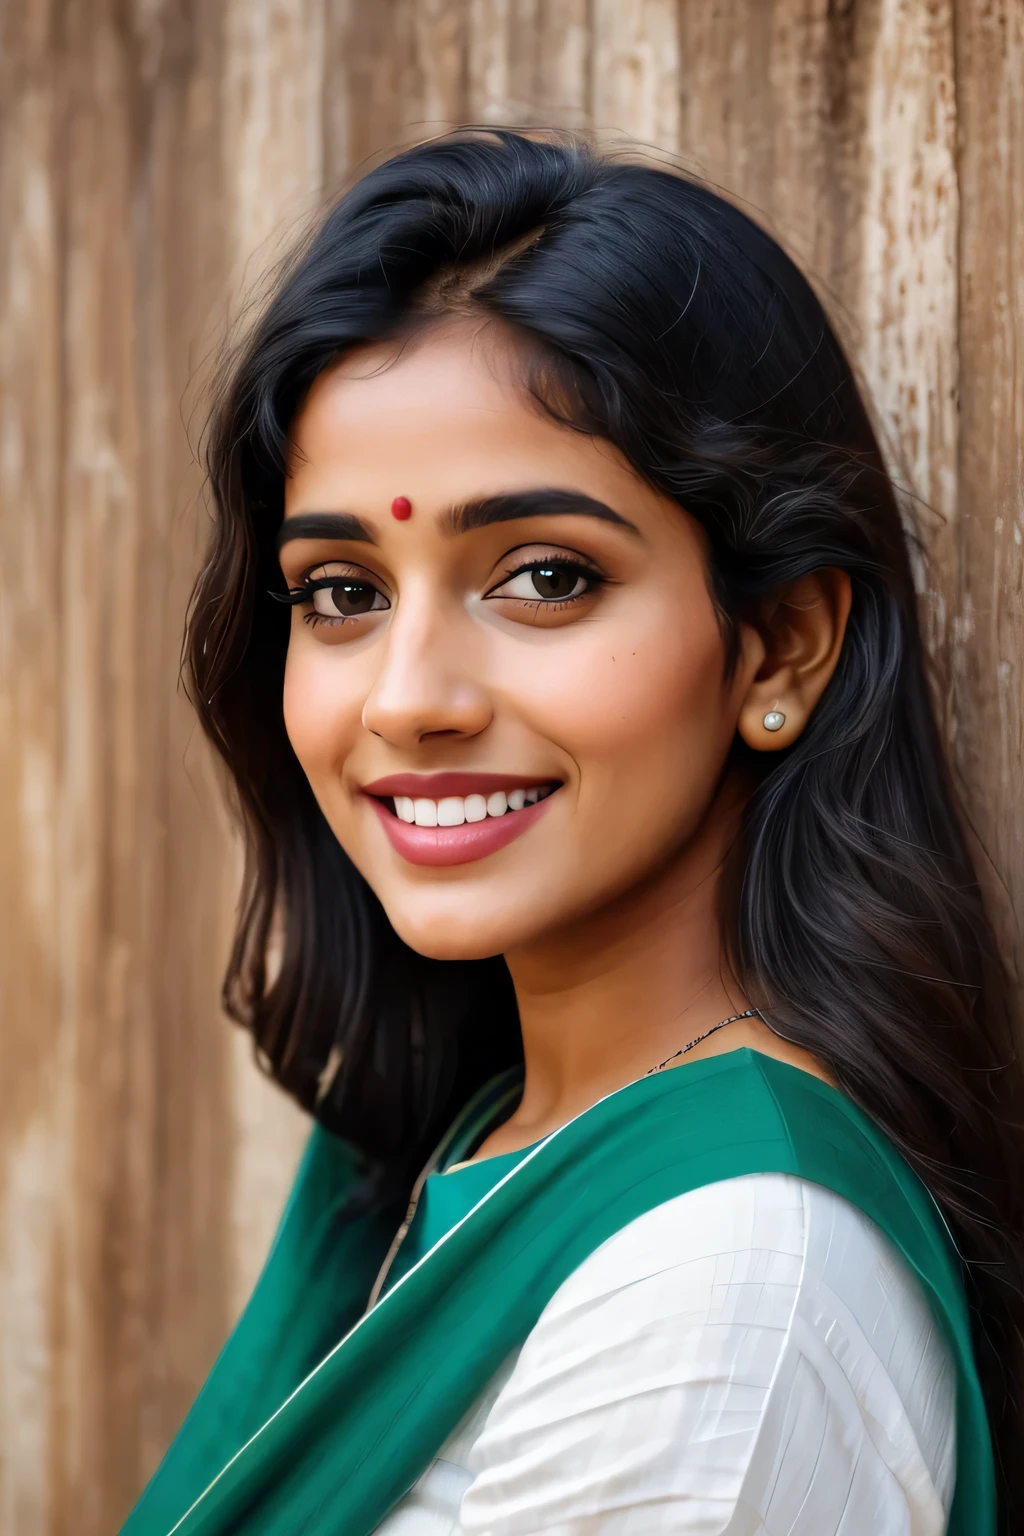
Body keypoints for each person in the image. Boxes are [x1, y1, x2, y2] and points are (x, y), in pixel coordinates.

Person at [121, 130, 1024, 1536]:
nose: (409, 698)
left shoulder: (725, 1285)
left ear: (780, 648)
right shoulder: (467, 1141)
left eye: (544, 577)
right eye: (343, 590)